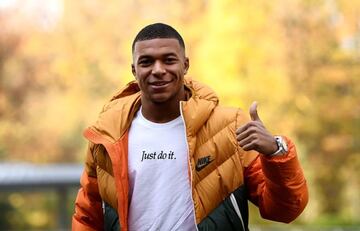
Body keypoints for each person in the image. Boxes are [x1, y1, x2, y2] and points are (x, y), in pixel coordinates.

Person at [72, 23, 308, 231]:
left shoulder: (230, 127)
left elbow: (285, 210)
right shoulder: (108, 135)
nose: (158, 70)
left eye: (168, 59)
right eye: (146, 62)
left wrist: (276, 151)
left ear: (185, 65)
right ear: (134, 70)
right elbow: (87, 218)